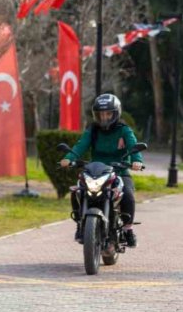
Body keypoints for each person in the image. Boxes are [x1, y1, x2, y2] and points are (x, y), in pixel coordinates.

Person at [60, 94, 145, 247]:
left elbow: (134, 146)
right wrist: (68, 158)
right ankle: (80, 224)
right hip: (95, 171)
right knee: (78, 191)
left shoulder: (124, 130)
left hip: (119, 171)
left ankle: (128, 229)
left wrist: (137, 161)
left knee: (128, 196)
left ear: (116, 113)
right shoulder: (92, 130)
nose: (104, 117)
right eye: (101, 114)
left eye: (108, 114)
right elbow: (80, 145)